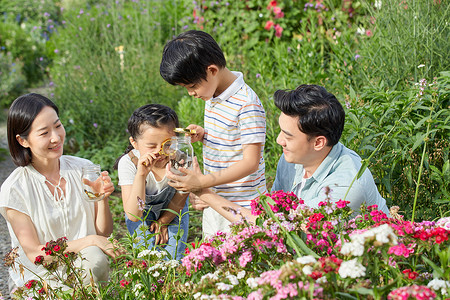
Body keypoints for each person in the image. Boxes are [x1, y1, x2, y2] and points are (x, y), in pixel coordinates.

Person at [168, 84, 389, 223]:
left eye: (288, 136)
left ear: (319, 142)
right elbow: (270, 213)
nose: (278, 141)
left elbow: (274, 231)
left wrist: (204, 192)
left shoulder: (344, 189)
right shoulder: (293, 159)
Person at [0, 93, 120, 292]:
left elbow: (102, 233)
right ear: (23, 141)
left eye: (58, 126)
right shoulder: (15, 189)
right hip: (41, 280)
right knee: (93, 254)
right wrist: (89, 240)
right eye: (44, 132)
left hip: (88, 267)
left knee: (95, 258)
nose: (56, 138)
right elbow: (35, 254)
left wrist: (102, 200)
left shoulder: (84, 169)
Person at [160, 30, 267, 237]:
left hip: (242, 204)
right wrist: (203, 134)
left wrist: (202, 182)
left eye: (192, 86)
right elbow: (230, 135)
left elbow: (250, 162)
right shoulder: (213, 94)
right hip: (215, 198)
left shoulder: (247, 104)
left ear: (212, 70)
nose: (191, 93)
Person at [115, 104, 189, 260]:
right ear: (134, 143)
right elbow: (133, 215)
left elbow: (180, 198)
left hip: (173, 209)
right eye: (151, 146)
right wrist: (141, 175)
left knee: (173, 257)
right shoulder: (129, 163)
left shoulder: (180, 159)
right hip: (140, 211)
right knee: (147, 257)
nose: (160, 151)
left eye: (168, 144)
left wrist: (164, 221)